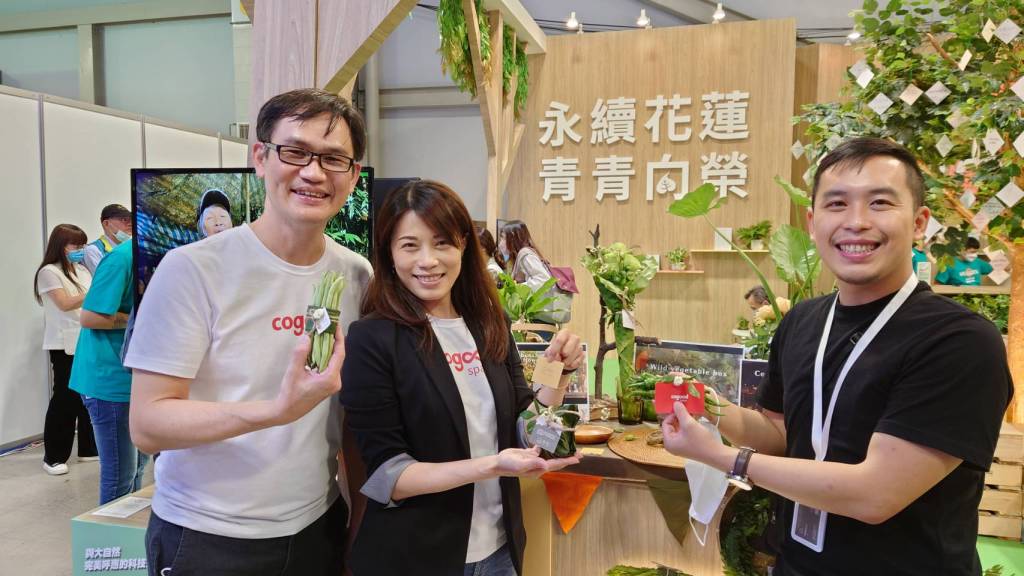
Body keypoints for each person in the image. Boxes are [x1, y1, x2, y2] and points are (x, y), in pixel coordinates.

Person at [660, 137, 1011, 576]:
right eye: (837, 204)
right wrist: (710, 404)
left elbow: (876, 495)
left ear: (919, 222)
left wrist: (724, 457)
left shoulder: (958, 340)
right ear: (813, 222)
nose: (856, 222)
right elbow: (780, 434)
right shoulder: (802, 321)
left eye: (880, 202)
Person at [125, 88, 372, 576]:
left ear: (353, 175)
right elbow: (148, 424)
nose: (313, 172)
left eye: (333, 159)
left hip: (316, 526)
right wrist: (275, 411)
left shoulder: (356, 275)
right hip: (208, 535)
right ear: (260, 157)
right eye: (295, 152)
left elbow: (350, 416)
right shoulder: (193, 269)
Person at [341, 180, 584, 576]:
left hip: (500, 552)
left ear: (464, 246)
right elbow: (389, 476)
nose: (428, 260)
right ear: (388, 252)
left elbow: (524, 428)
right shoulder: (373, 338)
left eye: (442, 243)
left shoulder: (488, 322)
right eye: (410, 246)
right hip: (416, 558)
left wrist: (558, 375)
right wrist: (492, 465)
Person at [69, 239, 148, 503]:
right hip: (108, 379)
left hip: (138, 378)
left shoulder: (156, 255)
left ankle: (127, 526)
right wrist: (139, 317)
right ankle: (112, 530)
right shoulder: (121, 260)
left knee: (138, 468)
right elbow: (90, 318)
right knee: (120, 476)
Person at [34, 223, 98, 475]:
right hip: (64, 343)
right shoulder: (49, 272)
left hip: (88, 337)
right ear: (60, 246)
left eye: (82, 244)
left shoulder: (82, 270)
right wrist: (98, 289)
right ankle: (54, 456)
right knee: (65, 398)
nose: (80, 249)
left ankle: (88, 449)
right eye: (75, 244)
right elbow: (64, 303)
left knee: (88, 395)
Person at [500, 220, 552, 292]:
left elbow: (543, 280)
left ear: (513, 237)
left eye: (503, 238)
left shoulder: (525, 254)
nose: (500, 243)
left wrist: (517, 287)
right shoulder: (522, 254)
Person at [83, 204, 133, 274]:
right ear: (106, 223)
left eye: (131, 220)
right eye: (124, 220)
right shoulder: (93, 250)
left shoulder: (132, 248)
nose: (130, 224)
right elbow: (106, 277)